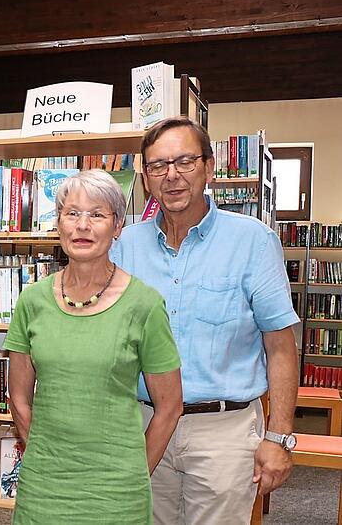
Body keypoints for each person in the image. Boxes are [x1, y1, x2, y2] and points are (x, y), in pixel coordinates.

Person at [111, 116, 300, 524]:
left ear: (209, 167)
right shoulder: (125, 246)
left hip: (224, 432)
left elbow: (281, 347)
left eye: (185, 161)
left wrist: (279, 438)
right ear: (146, 177)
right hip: (144, 426)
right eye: (158, 165)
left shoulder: (253, 241)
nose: (172, 175)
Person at [4, 169, 183, 524]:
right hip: (44, 486)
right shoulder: (32, 301)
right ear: (59, 224)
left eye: (97, 215)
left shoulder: (144, 305)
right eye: (72, 213)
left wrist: (133, 473)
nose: (82, 225)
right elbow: (19, 398)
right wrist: (42, 453)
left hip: (117, 490)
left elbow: (170, 406)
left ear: (117, 227)